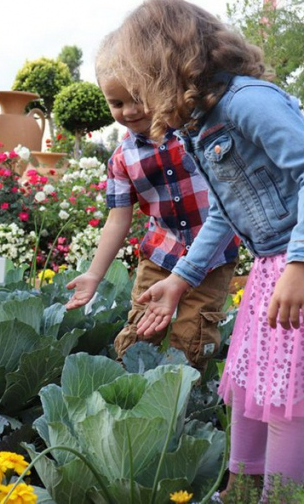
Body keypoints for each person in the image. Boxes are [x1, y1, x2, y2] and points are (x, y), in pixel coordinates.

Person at [121, 0, 304, 500]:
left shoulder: (248, 102)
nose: (136, 103)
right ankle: (241, 492)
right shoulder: (201, 127)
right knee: (249, 388)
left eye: (139, 85)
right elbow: (226, 209)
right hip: (279, 261)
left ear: (166, 66)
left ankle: (276, 499)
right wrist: (181, 279)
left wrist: (302, 263)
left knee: (284, 401)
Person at [65, 31, 238, 373]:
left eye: (137, 97)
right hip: (160, 254)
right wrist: (94, 275)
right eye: (116, 103)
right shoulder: (121, 158)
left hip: (212, 258)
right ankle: (129, 402)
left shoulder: (197, 132)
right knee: (140, 333)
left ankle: (178, 407)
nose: (129, 111)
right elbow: (118, 219)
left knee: (192, 337)